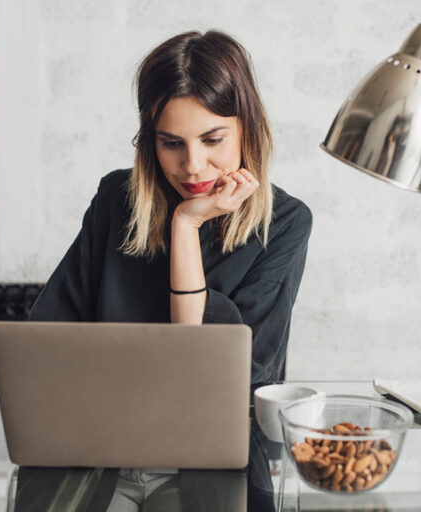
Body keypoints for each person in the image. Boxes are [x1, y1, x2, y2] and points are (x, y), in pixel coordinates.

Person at [29, 30, 312, 386]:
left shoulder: (284, 223)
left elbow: (226, 370)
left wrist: (185, 224)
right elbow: (48, 332)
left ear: (247, 130)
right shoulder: (116, 198)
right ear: (151, 142)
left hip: (223, 429)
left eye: (212, 140)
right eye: (172, 143)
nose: (192, 165)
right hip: (109, 421)